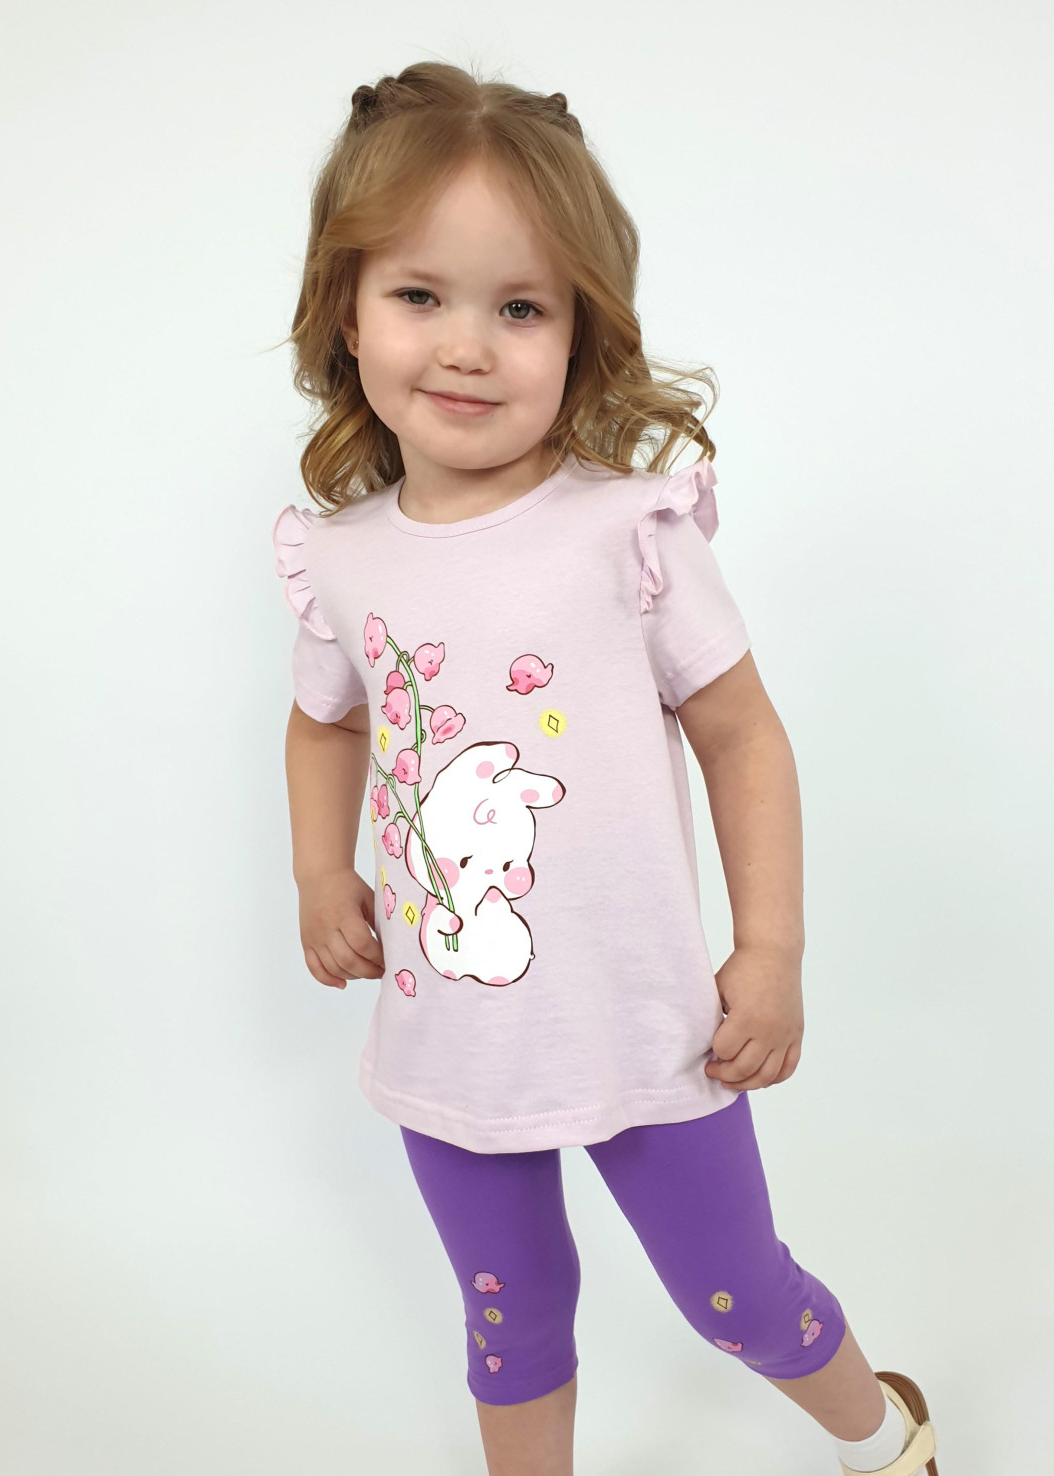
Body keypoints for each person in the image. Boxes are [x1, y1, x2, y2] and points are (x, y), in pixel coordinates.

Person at [270, 60, 939, 1476]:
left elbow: (740, 734)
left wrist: (771, 948)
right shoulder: (341, 556)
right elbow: (326, 721)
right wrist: (321, 872)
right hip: (449, 1040)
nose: (467, 346)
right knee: (508, 1323)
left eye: (520, 307)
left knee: (735, 1296)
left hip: (647, 1031)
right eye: (420, 294)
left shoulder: (626, 530)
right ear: (345, 307)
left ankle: (885, 1434)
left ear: (582, 332)